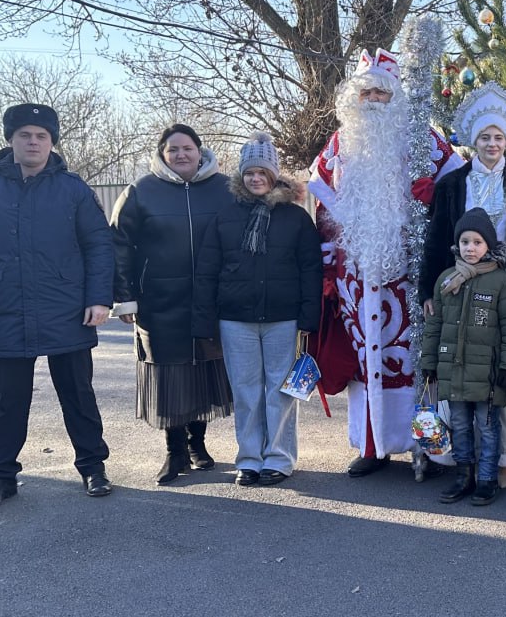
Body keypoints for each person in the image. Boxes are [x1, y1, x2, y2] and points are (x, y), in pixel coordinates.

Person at [308, 49, 463, 477]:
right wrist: (326, 265)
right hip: (356, 272)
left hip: (412, 268)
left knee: (420, 359)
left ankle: (430, 447)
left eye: (382, 92)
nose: (374, 99)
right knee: (366, 362)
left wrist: (431, 200)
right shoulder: (340, 143)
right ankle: (372, 445)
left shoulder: (422, 139)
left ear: (396, 98)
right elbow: (323, 206)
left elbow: (456, 189)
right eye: (367, 92)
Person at [0, 103, 114, 511]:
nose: (33, 142)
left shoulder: (74, 189)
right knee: (9, 398)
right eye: (25, 134)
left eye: (42, 136)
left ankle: (93, 468)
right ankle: (1, 477)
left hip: (68, 307)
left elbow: (98, 246)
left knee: (78, 392)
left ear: (52, 142)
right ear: (11, 140)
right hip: (5, 310)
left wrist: (99, 297)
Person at [423, 82, 506, 487]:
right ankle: (465, 460)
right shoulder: (453, 185)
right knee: (463, 371)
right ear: (474, 141)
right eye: (485, 137)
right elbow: (437, 240)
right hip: (461, 287)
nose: (492, 144)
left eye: (498, 137)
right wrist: (428, 290)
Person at [194, 132, 322, 486]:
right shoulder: (225, 217)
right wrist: (204, 319)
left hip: (283, 317)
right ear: (241, 176)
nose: (255, 179)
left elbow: (311, 269)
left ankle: (279, 459)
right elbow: (208, 270)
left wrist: (310, 316)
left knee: (280, 389)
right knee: (246, 390)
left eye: (262, 173)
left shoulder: (296, 218)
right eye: (249, 173)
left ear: (274, 175)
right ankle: (249, 458)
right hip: (236, 319)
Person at [110, 124, 234, 486]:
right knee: (171, 375)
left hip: (211, 299)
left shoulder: (225, 189)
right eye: (173, 149)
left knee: (203, 370)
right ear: (162, 155)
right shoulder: (141, 191)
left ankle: (198, 445)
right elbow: (118, 244)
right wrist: (124, 296)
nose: (181, 155)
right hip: (158, 301)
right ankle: (174, 450)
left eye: (187, 148)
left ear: (200, 151)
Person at [419, 209, 506, 505]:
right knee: (461, 426)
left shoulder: (503, 282)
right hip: (454, 371)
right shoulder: (446, 280)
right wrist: (429, 362)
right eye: (465, 242)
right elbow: (435, 326)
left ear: (488, 245)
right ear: (458, 245)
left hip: (488, 376)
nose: (471, 248)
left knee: (488, 427)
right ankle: (464, 476)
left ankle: (487, 479)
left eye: (478, 242)